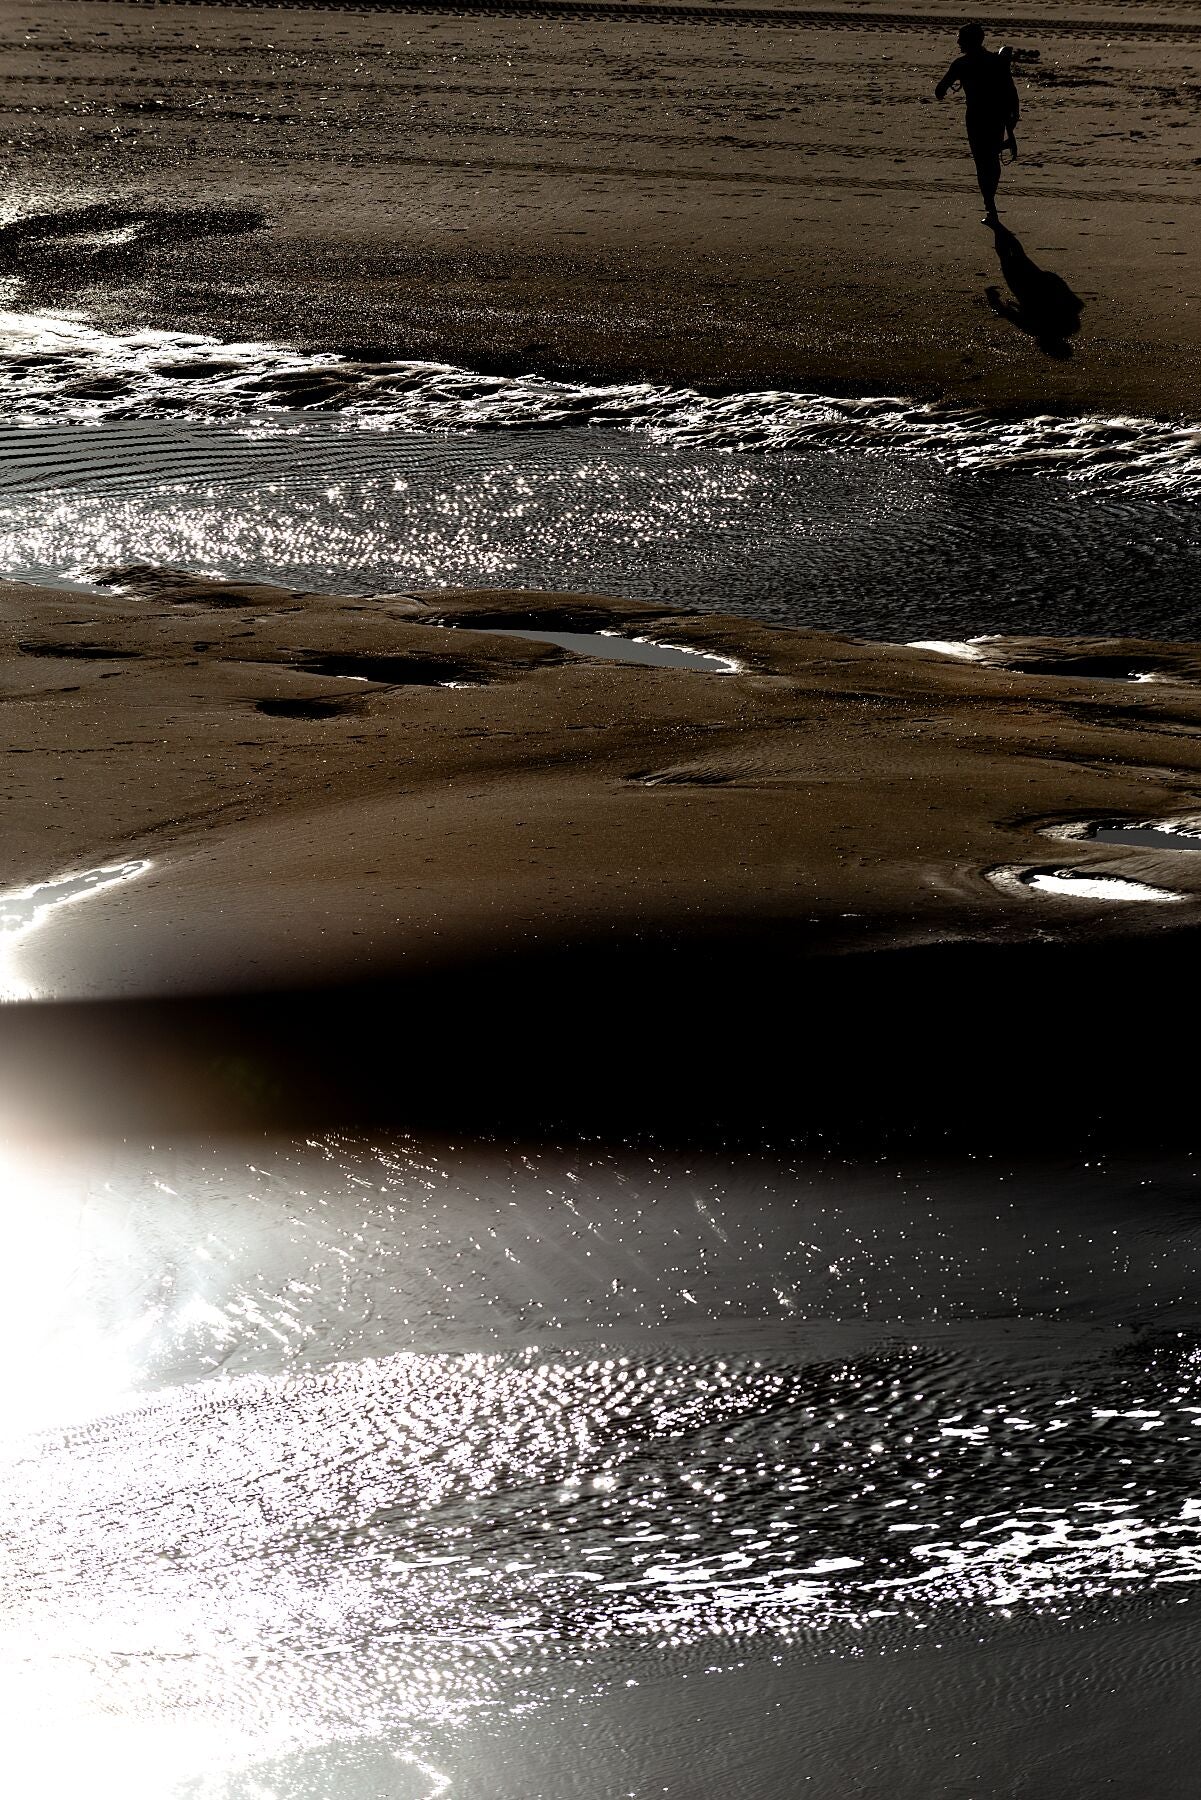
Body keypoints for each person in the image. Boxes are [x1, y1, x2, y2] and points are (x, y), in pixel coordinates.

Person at [935, 22, 1021, 223]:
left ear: (968, 41)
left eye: (960, 39)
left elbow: (939, 92)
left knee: (982, 164)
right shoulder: (997, 61)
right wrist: (1013, 118)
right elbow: (1011, 92)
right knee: (991, 162)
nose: (957, 42)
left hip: (975, 119)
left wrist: (955, 84)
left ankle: (990, 207)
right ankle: (990, 203)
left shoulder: (961, 64)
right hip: (996, 116)